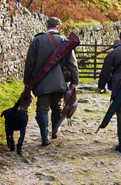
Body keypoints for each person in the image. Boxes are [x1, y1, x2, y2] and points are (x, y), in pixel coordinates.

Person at [24, 17, 79, 146]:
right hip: (59, 83)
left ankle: (44, 136)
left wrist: (27, 81)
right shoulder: (64, 41)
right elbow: (72, 64)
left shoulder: (37, 40)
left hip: (41, 82)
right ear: (58, 27)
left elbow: (29, 62)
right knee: (57, 106)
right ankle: (55, 131)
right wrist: (74, 81)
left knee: (42, 108)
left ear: (47, 26)